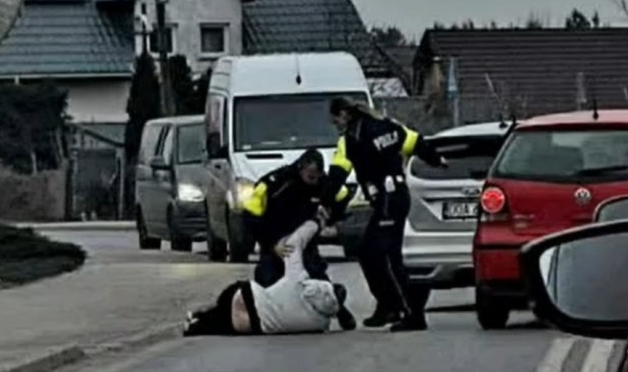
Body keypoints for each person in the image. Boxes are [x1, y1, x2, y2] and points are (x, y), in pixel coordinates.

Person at [320, 97, 447, 332]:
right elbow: (417, 142)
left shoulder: (351, 139)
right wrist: (437, 160)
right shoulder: (389, 126)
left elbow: (337, 175)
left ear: (344, 115)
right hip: (397, 197)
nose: (335, 124)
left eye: (335, 119)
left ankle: (410, 313)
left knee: (385, 257)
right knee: (371, 253)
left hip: (387, 200)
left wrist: (323, 203)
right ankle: (388, 305)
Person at [241, 148, 357, 330]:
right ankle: (262, 319)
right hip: (274, 237)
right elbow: (250, 217)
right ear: (301, 168)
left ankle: (339, 309)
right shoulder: (276, 183)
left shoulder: (324, 184)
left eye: (318, 176)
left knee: (317, 279)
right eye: (311, 176)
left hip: (304, 241)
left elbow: (342, 196)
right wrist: (272, 244)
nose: (314, 180)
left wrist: (329, 215)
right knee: (267, 281)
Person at [183, 220, 346, 336]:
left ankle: (199, 316)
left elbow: (294, 243)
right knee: (225, 324)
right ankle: (197, 326)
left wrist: (315, 222)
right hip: (255, 325)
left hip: (247, 298)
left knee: (232, 299)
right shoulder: (321, 324)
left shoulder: (299, 282)